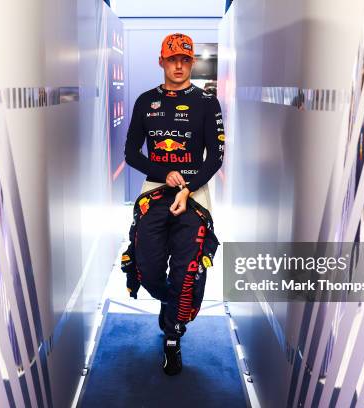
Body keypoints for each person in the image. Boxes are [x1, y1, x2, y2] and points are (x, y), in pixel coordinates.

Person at [123, 33, 225, 375]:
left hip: (193, 198)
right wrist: (165, 174)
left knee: (187, 275)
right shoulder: (144, 101)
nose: (179, 65)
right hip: (154, 193)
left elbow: (216, 157)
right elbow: (130, 154)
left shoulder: (207, 102)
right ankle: (170, 308)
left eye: (185, 59)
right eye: (172, 59)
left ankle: (173, 336)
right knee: (149, 269)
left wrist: (187, 188)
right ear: (161, 62)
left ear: (192, 62)